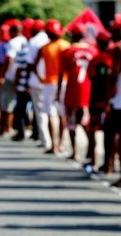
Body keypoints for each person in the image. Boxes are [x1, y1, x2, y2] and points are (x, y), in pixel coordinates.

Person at [60, 23, 98, 161]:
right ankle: (90, 152)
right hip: (88, 90)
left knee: (72, 123)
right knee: (87, 124)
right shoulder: (93, 50)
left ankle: (75, 152)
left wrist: (59, 91)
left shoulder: (68, 51)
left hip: (72, 90)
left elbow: (61, 73)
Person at [33, 19, 70, 154]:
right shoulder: (65, 46)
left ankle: (54, 144)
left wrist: (40, 78)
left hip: (49, 84)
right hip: (64, 82)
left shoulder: (44, 48)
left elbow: (35, 66)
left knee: (51, 115)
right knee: (62, 115)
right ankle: (61, 144)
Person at [0, 20, 27, 136]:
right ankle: (8, 127)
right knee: (12, 103)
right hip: (21, 77)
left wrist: (1, 76)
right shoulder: (25, 41)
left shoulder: (12, 43)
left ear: (13, 32)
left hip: (10, 76)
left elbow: (9, 60)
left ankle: (5, 128)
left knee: (5, 102)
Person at [86, 30, 112, 172]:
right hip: (111, 99)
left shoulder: (97, 59)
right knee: (110, 133)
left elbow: (94, 79)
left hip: (99, 99)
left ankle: (94, 160)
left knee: (95, 130)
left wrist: (94, 100)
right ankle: (110, 163)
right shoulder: (112, 57)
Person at [26, 19, 49, 147]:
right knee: (51, 112)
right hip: (52, 80)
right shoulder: (50, 40)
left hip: (37, 80)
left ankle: (45, 140)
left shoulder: (34, 41)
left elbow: (30, 64)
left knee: (40, 111)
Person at [107, 14, 121, 186]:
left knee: (117, 135)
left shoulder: (118, 48)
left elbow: (114, 74)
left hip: (119, 99)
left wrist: (108, 98)